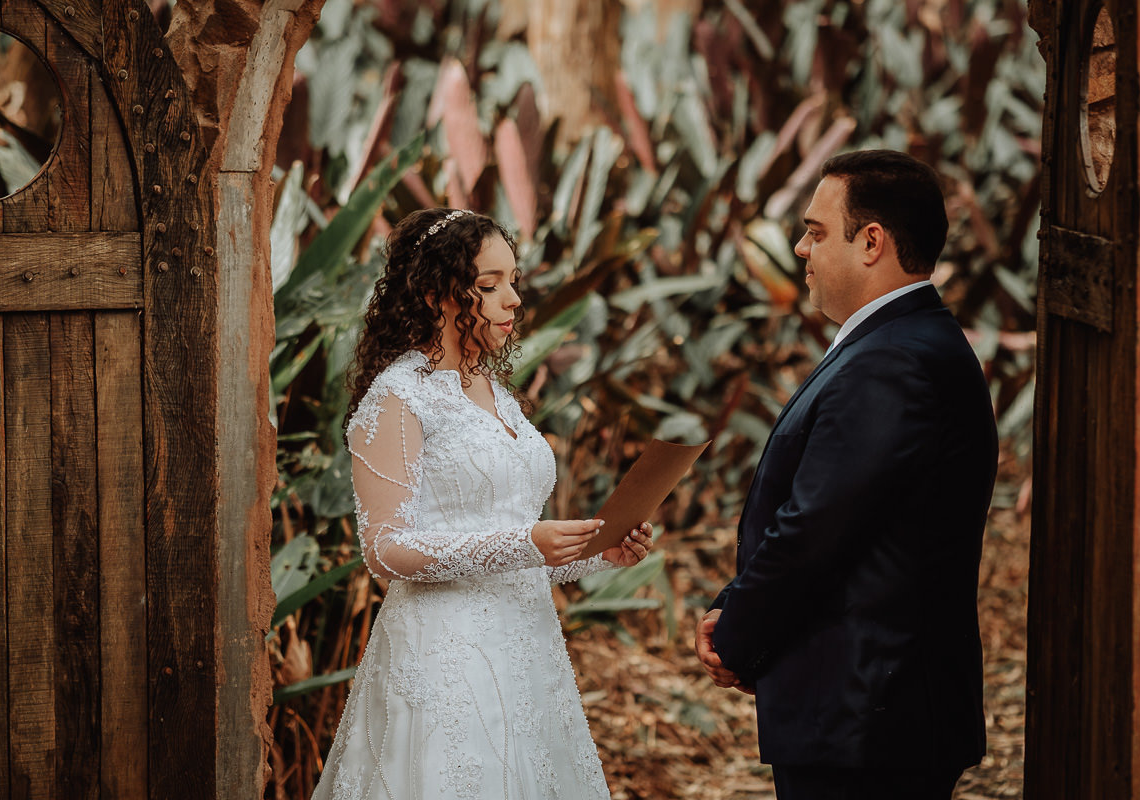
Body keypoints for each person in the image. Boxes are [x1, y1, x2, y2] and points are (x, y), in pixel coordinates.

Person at [311, 207, 653, 800]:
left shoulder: (495, 392)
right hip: (445, 656)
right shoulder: (397, 397)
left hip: (528, 648)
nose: (512, 300)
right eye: (489, 286)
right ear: (436, 293)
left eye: (512, 282)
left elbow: (519, 543)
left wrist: (601, 553)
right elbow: (385, 552)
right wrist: (524, 543)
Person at [695, 150, 998, 800]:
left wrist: (738, 634)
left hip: (867, 717)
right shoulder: (909, 343)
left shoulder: (892, 364)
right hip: (876, 711)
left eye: (815, 231)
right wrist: (737, 609)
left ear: (871, 242)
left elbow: (816, 530)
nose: (801, 248)